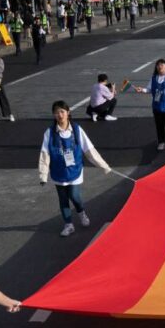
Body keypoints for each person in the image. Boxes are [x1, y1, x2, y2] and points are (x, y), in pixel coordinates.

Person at [38, 100, 112, 237]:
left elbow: (89, 150)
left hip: (75, 170)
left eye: (62, 112)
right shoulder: (49, 133)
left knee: (74, 195)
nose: (60, 115)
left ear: (68, 113)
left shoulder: (77, 130)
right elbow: (45, 154)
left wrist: (104, 165)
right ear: (53, 115)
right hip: (58, 171)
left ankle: (81, 212)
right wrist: (43, 175)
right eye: (56, 112)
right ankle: (68, 225)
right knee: (63, 198)